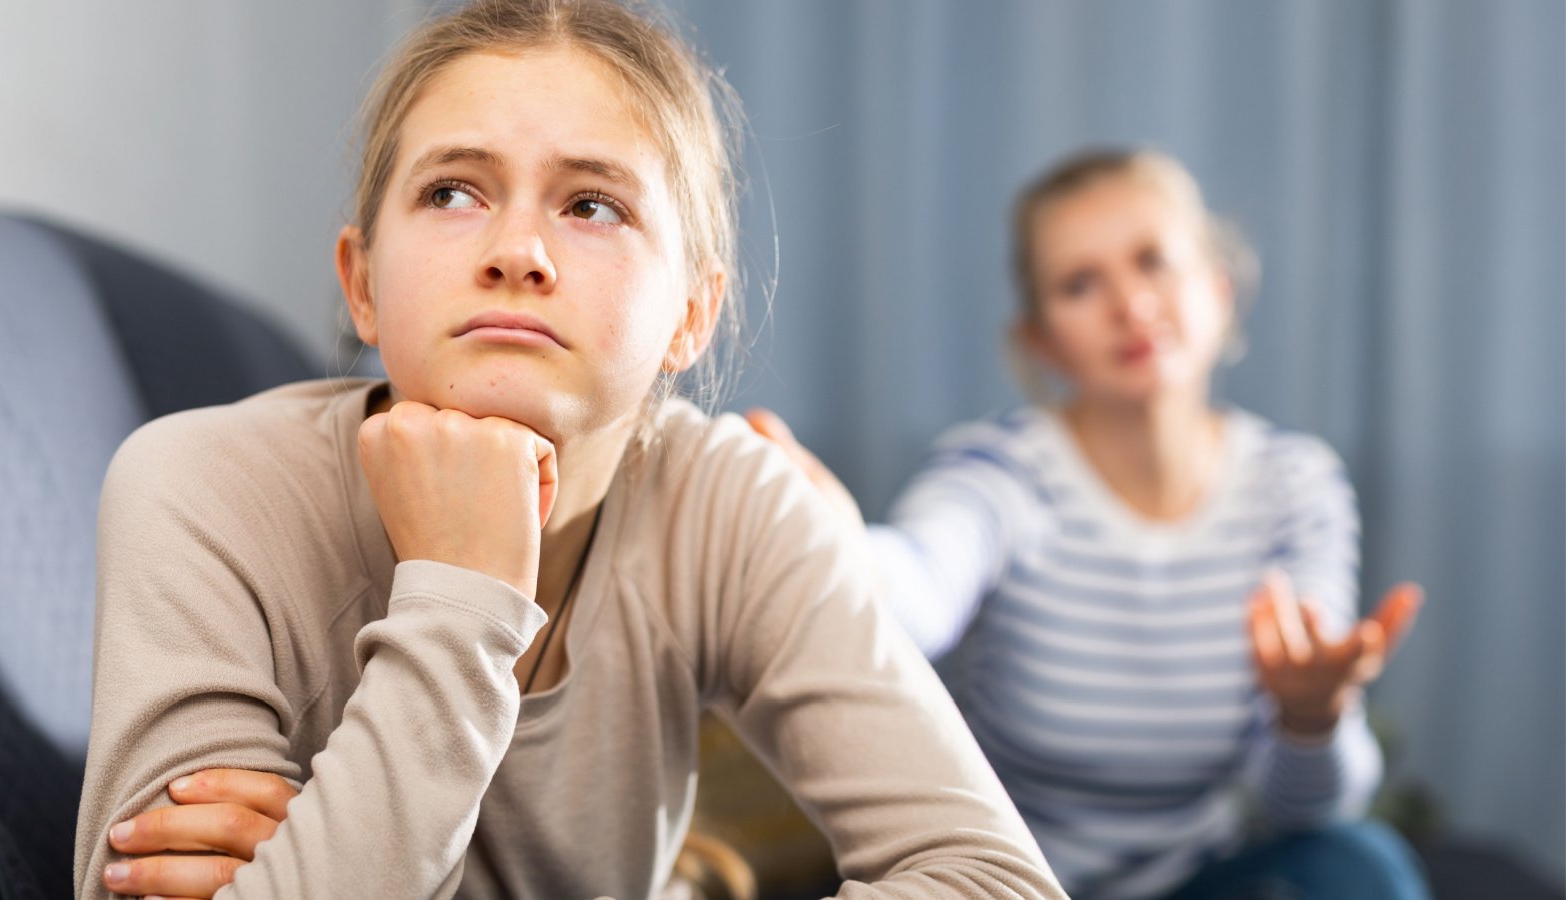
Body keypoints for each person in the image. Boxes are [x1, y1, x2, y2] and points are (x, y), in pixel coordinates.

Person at [71, 2, 1068, 898]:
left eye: (592, 205)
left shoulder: (736, 503)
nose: (517, 251)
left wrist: (312, 864)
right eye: (454, 191)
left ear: (691, 316)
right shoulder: (200, 486)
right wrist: (457, 598)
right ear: (361, 282)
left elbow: (992, 880)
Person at [746, 149, 1429, 900]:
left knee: (1358, 862)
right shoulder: (999, 472)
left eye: (1154, 262)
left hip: (1199, 882)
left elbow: (1306, 806)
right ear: (1042, 341)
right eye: (1079, 284)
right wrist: (845, 556)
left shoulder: (1296, 486)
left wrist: (1312, 715)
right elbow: (921, 584)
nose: (1131, 305)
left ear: (1219, 289)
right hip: (1011, 884)